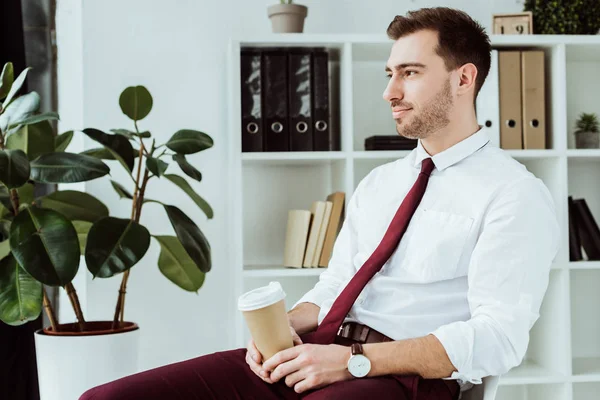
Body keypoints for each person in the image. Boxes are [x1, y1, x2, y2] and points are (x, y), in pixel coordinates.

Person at [79, 6, 560, 400]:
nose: (390, 92)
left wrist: (355, 362)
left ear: (464, 79)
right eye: (390, 73)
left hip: (402, 380)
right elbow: (336, 286)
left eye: (410, 73)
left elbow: (499, 339)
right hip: (317, 353)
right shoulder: (380, 183)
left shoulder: (514, 195)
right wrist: (283, 327)